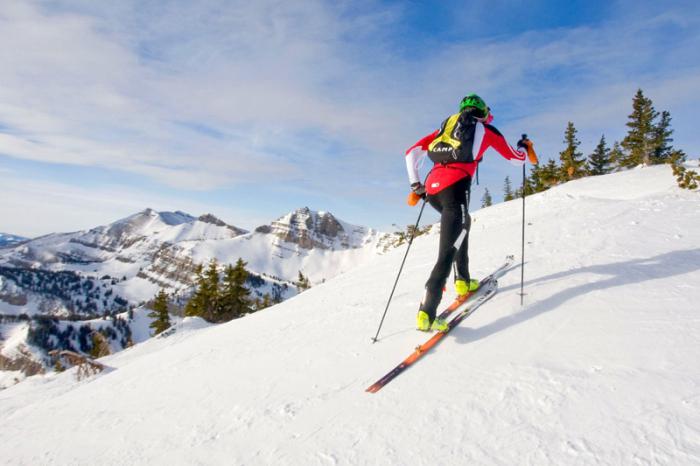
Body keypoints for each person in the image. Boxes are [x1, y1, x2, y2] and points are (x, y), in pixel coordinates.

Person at [404, 93, 538, 331]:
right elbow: (516, 159)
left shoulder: (444, 128)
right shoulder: (485, 130)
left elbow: (411, 153)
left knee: (464, 225)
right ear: (483, 113)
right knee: (447, 252)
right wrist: (524, 147)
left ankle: (463, 281)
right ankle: (426, 313)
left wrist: (416, 185)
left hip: (433, 190)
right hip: (454, 191)